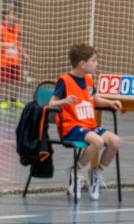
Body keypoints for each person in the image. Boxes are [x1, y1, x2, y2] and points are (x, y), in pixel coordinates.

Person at [48, 43, 122, 200]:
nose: (97, 64)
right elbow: (51, 104)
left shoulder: (88, 79)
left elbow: (92, 98)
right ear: (82, 64)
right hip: (71, 126)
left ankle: (96, 174)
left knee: (115, 141)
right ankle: (76, 170)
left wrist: (110, 102)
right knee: (98, 142)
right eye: (94, 60)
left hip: (89, 125)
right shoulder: (65, 80)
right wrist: (64, 101)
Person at [0, 5, 29, 111]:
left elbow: (18, 43)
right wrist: (7, 45)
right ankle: (4, 100)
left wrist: (24, 54)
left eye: (15, 14)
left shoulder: (16, 28)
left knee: (15, 81)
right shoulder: (1, 28)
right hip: (4, 61)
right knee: (4, 82)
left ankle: (14, 100)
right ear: (6, 16)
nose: (14, 16)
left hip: (15, 60)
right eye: (12, 14)